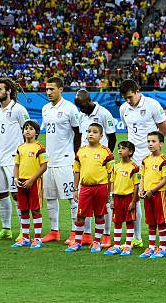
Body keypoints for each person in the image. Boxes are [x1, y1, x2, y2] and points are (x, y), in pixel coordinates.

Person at [119, 79, 166, 248]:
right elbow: (128, 130)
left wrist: (153, 152)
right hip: (132, 157)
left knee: (151, 195)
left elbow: (163, 130)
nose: (128, 100)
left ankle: (160, 238)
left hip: (149, 157)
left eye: (130, 97)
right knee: (133, 195)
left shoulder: (153, 105)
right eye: (125, 98)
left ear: (138, 90)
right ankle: (137, 237)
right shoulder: (123, 109)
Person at [74, 89, 117, 248]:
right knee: (84, 204)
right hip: (86, 160)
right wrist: (77, 154)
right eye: (78, 106)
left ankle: (106, 236)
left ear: (89, 101)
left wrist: (108, 157)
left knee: (104, 206)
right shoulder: (80, 115)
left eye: (82, 105)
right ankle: (86, 236)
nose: (81, 109)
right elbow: (78, 136)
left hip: (101, 162)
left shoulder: (104, 113)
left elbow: (112, 136)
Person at [41, 77, 82, 243]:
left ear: (61, 89)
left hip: (66, 160)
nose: (49, 92)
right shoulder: (45, 108)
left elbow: (78, 133)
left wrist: (76, 154)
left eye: (52, 89)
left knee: (72, 198)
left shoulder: (70, 109)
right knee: (50, 197)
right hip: (49, 160)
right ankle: (54, 231)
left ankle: (75, 232)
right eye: (47, 89)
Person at [0, 77, 30, 241]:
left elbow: (28, 131)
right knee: (1, 194)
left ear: (8, 91)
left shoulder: (19, 110)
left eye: (0, 89)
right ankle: (6, 229)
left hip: (14, 159)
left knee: (16, 195)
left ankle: (24, 230)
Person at [66, 123, 114, 253]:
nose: (91, 134)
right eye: (89, 131)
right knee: (80, 216)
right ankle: (77, 242)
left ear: (101, 135)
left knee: (99, 215)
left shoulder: (106, 152)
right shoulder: (81, 151)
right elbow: (76, 171)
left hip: (101, 188)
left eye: (95, 132)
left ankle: (97, 242)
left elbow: (111, 175)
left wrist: (110, 194)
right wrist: (75, 189)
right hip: (85, 188)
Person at [12, 121, 48, 249]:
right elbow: (16, 165)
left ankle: (37, 238)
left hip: (34, 182)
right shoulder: (20, 148)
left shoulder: (40, 147)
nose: (27, 130)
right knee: (23, 210)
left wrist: (32, 180)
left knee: (35, 210)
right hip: (21, 182)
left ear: (36, 133)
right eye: (25, 128)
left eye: (31, 128)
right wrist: (16, 178)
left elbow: (44, 166)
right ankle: (25, 238)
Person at [138, 131, 166, 259]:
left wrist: (152, 190)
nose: (150, 144)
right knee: (151, 222)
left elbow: (164, 180)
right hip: (147, 195)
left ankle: (163, 247)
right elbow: (142, 176)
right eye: (148, 141)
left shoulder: (164, 160)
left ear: (161, 143)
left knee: (161, 221)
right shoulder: (145, 160)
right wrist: (142, 189)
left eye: (153, 141)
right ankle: (151, 247)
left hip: (159, 195)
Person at [104, 141, 140, 256]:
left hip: (129, 197)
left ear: (130, 152)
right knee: (117, 221)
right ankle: (117, 245)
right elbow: (112, 182)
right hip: (117, 198)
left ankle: (128, 245)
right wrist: (111, 198)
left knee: (129, 221)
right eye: (119, 148)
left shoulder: (134, 167)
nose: (120, 150)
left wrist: (134, 201)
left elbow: (136, 186)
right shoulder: (116, 167)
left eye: (123, 148)